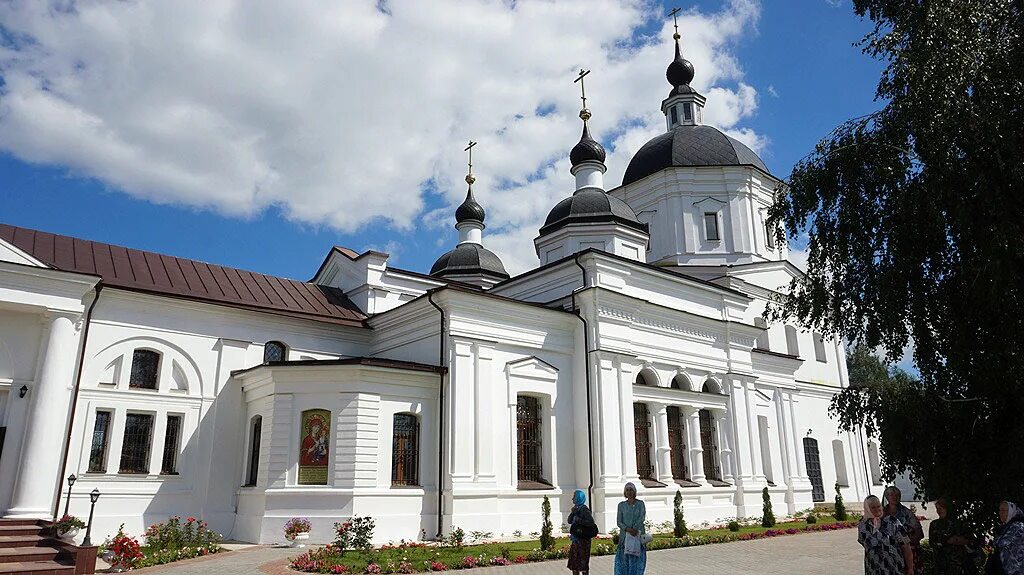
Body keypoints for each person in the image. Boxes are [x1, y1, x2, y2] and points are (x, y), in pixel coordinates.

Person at [859, 495, 914, 575]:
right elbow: (863, 542)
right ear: (867, 509)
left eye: (878, 506)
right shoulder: (863, 525)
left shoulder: (892, 522)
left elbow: (906, 546)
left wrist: (910, 568)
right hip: (873, 569)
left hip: (893, 568)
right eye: (873, 507)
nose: (877, 509)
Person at [929, 497, 978, 575]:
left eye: (941, 508)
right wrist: (946, 541)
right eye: (937, 508)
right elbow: (932, 543)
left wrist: (959, 540)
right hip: (940, 565)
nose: (939, 511)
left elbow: (972, 542)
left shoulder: (960, 524)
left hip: (958, 565)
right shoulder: (934, 525)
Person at [884, 486, 925, 574]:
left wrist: (905, 542)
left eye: (897, 495)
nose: (895, 497)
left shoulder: (907, 513)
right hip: (890, 553)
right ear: (887, 497)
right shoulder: (883, 513)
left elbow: (919, 532)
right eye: (892, 495)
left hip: (908, 552)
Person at [614, 482, 647, 575]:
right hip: (625, 537)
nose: (629, 492)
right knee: (624, 562)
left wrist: (634, 529)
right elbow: (619, 521)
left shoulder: (640, 504)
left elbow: (642, 517)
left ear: (634, 491)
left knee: (637, 561)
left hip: (637, 535)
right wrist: (628, 529)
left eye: (631, 490)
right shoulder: (621, 505)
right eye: (627, 490)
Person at [987, 501, 1024, 575]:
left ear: (1011, 511)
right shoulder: (1004, 528)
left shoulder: (1019, 527)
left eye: (1003, 510)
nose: (1000, 513)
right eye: (1000, 510)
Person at [567, 489, 594, 575]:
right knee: (574, 564)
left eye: (574, 496)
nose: (572, 499)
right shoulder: (576, 508)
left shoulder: (584, 509)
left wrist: (579, 520)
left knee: (583, 564)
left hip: (583, 541)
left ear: (579, 498)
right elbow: (569, 521)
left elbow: (591, 522)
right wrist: (572, 513)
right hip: (576, 540)